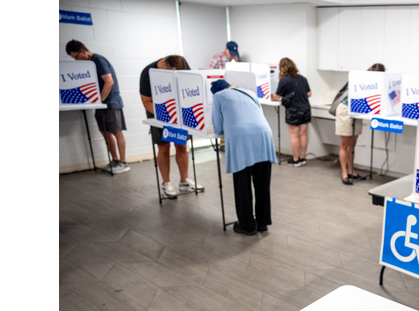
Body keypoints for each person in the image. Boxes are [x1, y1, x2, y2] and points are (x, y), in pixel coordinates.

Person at [211, 79, 277, 235]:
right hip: (264, 135)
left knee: (242, 183)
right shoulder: (249, 92)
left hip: (240, 138)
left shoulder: (219, 96)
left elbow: (218, 127)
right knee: (262, 184)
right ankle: (262, 223)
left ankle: (247, 225)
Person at [139, 55, 204, 198]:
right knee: (164, 147)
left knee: (181, 145)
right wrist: (166, 116)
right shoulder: (147, 73)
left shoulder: (183, 65)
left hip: (179, 111)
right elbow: (146, 101)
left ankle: (184, 181)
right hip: (157, 111)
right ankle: (166, 183)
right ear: (163, 65)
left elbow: (192, 86)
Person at [66, 40, 129, 174]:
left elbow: (109, 81)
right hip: (101, 104)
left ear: (83, 51)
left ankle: (124, 163)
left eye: (77, 57)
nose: (77, 61)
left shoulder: (98, 60)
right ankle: (115, 160)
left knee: (117, 132)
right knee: (105, 132)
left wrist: (100, 100)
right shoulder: (90, 64)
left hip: (110, 102)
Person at [335, 63, 386, 185]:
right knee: (345, 145)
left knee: (352, 145)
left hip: (358, 112)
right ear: (370, 70)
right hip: (346, 109)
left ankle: (351, 170)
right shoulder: (358, 78)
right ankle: (344, 173)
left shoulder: (375, 83)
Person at [272, 58, 311, 167]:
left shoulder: (284, 81)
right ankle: (302, 158)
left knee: (294, 135)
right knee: (303, 134)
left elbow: (276, 97)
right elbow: (309, 93)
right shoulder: (303, 79)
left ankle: (295, 160)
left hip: (293, 110)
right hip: (305, 109)